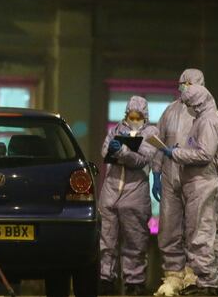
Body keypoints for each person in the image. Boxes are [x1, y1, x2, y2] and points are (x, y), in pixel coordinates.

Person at [160, 85, 218, 295]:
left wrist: (176, 154)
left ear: (197, 102)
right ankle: (215, 280)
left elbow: (204, 154)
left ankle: (207, 281)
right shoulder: (203, 119)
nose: (187, 108)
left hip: (205, 184)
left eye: (189, 104)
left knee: (201, 233)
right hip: (201, 184)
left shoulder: (208, 121)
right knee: (209, 233)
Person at [99, 96, 160, 296]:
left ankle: (134, 281)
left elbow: (143, 159)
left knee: (135, 241)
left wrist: (123, 151)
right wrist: (118, 151)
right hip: (110, 193)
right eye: (131, 115)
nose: (134, 118)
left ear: (145, 116)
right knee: (107, 241)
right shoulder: (115, 131)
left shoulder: (151, 133)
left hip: (135, 195)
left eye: (138, 115)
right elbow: (104, 151)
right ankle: (106, 278)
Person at [152, 69, 204, 296]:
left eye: (189, 83)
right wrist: (155, 173)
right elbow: (159, 142)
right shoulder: (170, 111)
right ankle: (173, 276)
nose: (184, 87)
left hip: (195, 180)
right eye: (182, 83)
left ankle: (193, 276)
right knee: (169, 228)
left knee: (196, 228)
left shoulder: (205, 114)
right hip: (171, 178)